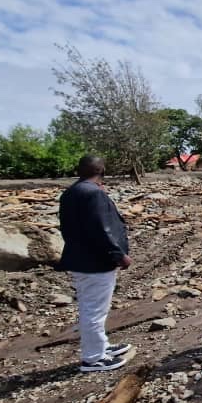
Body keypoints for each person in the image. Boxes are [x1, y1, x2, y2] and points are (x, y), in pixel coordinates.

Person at [57, 155, 133, 373]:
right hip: (95, 262)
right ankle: (93, 358)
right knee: (94, 310)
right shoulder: (93, 193)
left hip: (82, 258)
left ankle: (101, 346)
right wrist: (118, 254)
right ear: (101, 169)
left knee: (93, 307)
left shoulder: (71, 192)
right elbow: (102, 228)